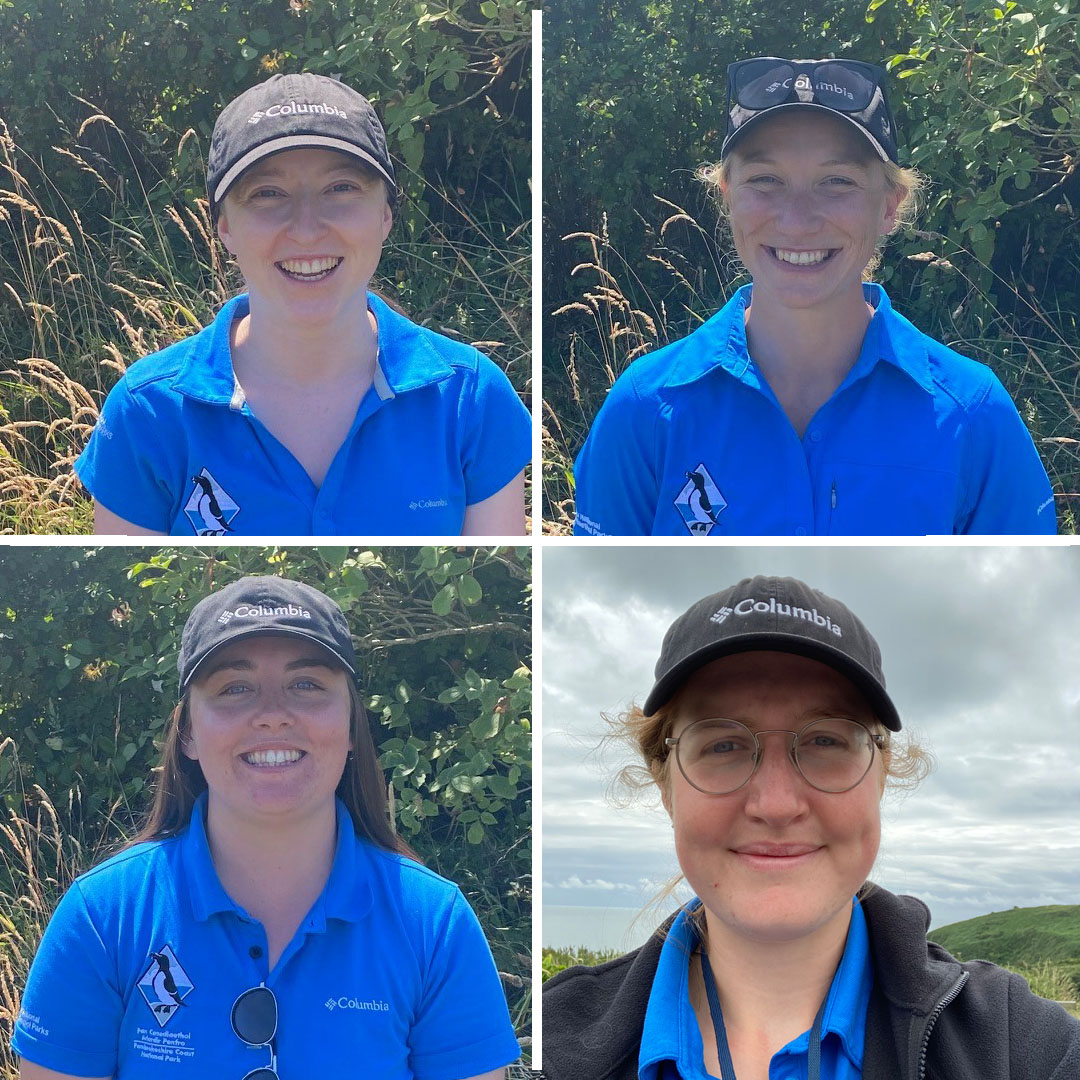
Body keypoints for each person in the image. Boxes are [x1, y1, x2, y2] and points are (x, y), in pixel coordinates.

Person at [542, 575, 1080, 1079]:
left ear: (882, 772)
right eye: (723, 745)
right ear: (666, 785)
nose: (776, 805)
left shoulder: (1025, 1048)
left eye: (825, 740)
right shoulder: (549, 1040)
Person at [12, 575, 520, 1079]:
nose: (273, 716)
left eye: (306, 685)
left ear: (351, 726)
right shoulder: (102, 917)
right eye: (235, 688)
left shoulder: (435, 924)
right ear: (187, 732)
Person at [571, 57, 1056, 536]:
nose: (797, 220)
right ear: (727, 196)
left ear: (888, 206)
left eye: (837, 182)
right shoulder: (644, 407)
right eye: (765, 180)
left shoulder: (974, 414)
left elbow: (1024, 610)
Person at [74, 72, 531, 536]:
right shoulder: (147, 412)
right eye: (268, 194)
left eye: (341, 188)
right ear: (224, 226)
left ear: (385, 214)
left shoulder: (472, 400)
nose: (307, 229)